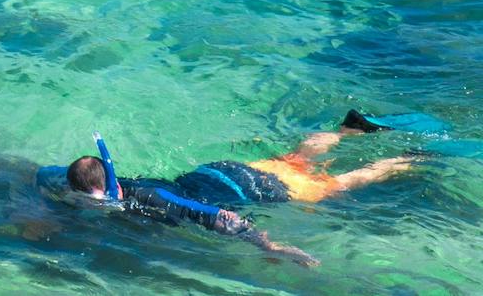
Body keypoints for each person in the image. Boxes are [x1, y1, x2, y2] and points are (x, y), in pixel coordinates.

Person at [59, 124, 413, 267]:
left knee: (338, 184)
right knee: (293, 159)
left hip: (252, 188)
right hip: (221, 170)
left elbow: (210, 214)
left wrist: (267, 245)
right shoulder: (126, 184)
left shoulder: (154, 198)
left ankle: (405, 160)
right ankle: (347, 128)